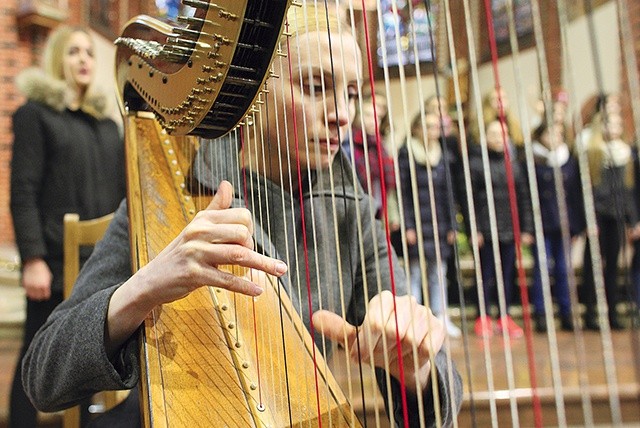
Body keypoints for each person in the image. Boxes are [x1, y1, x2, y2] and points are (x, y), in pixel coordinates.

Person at [22, 5, 462, 427]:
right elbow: (43, 376)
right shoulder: (177, 191)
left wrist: (415, 368)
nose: (342, 115)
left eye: (351, 94)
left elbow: (440, 393)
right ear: (255, 90)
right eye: (314, 86)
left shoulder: (350, 206)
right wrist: (142, 289)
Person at [9, 25, 126, 427]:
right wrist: (33, 260)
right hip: (55, 263)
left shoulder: (108, 127)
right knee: (35, 359)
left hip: (101, 265)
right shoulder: (35, 115)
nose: (83, 60)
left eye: (89, 53)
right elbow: (23, 191)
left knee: (94, 362)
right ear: (57, 58)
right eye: (73, 51)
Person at [464, 119, 534, 339]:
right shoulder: (475, 164)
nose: (497, 138)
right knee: (484, 274)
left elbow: (523, 198)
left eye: (502, 134)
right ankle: (482, 317)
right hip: (485, 230)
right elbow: (470, 200)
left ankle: (504, 316)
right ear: (484, 137)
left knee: (506, 274)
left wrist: (525, 228)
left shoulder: (514, 165)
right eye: (493, 133)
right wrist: (473, 229)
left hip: (509, 229)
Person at [399, 111, 461, 338]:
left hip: (439, 225)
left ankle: (440, 317)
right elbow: (403, 193)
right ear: (416, 129)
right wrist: (408, 226)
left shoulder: (442, 155)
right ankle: (414, 321)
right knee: (414, 273)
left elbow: (448, 194)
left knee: (439, 273)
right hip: (416, 225)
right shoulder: (406, 154)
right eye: (426, 126)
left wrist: (452, 225)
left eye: (435, 127)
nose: (431, 131)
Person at [581, 110, 639, 330]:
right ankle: (589, 314)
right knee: (592, 266)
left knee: (613, 267)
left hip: (616, 217)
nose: (613, 129)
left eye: (616, 125)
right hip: (596, 217)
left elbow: (629, 190)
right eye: (608, 124)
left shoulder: (627, 154)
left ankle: (612, 314)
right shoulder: (593, 153)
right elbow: (585, 190)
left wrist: (633, 221)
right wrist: (588, 221)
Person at [529, 120, 584, 332]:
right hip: (541, 223)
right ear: (541, 135)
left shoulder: (569, 161)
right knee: (542, 268)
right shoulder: (533, 160)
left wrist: (578, 226)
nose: (555, 138)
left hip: (565, 224)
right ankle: (541, 313)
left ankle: (566, 311)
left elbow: (577, 195)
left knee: (564, 269)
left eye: (559, 134)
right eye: (550, 133)